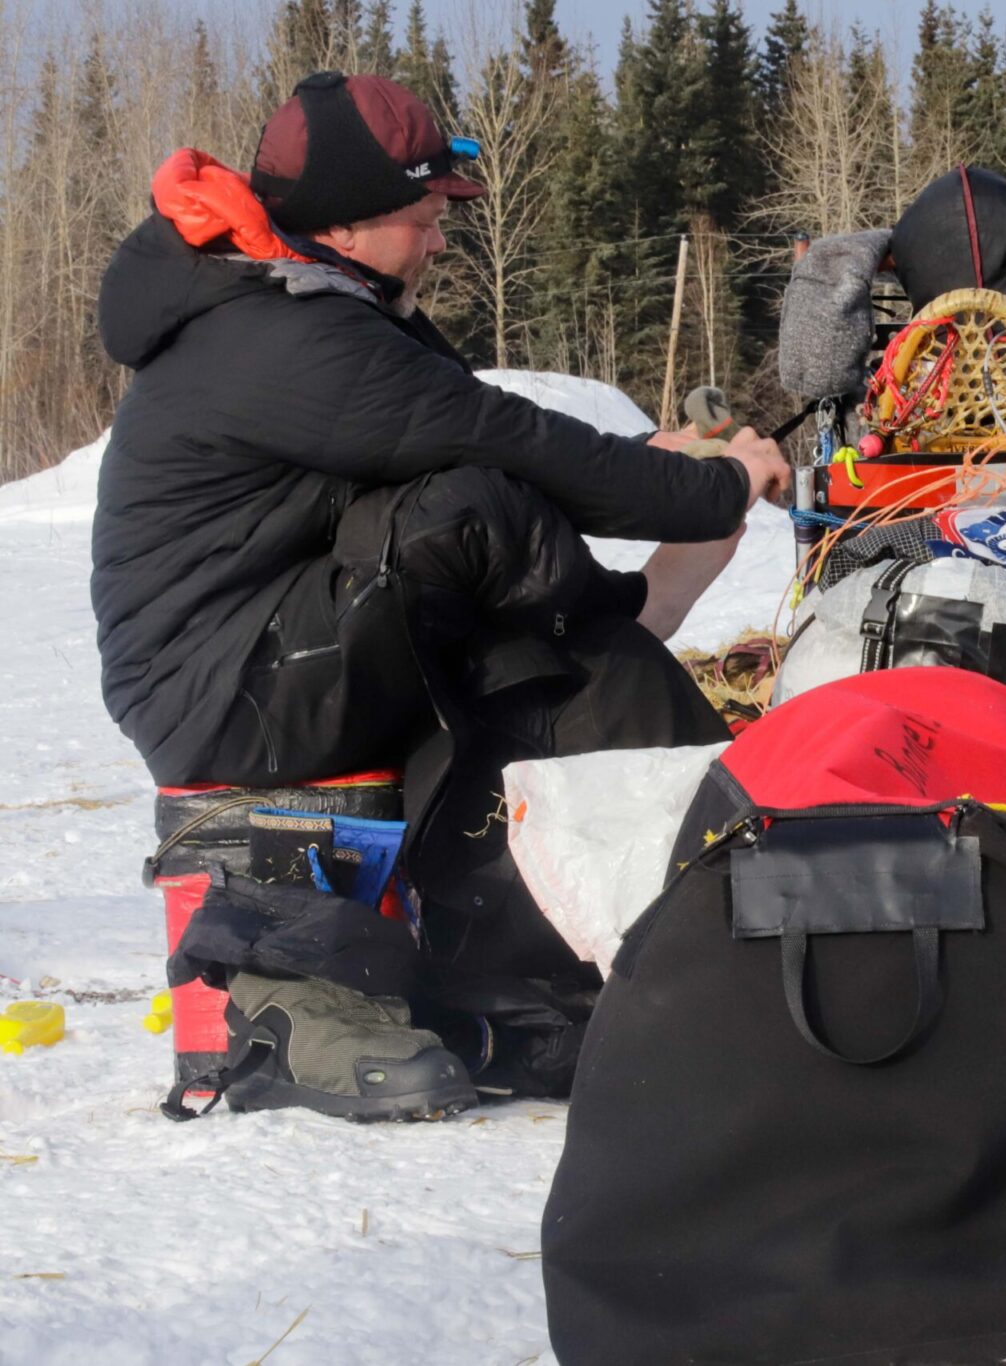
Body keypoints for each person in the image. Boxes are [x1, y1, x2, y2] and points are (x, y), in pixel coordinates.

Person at [94, 71, 791, 1119]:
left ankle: (614, 931)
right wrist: (717, 485)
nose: (438, 243)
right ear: (353, 221)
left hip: (265, 651)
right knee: (466, 513)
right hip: (226, 693)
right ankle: (733, 901)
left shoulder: (295, 303)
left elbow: (485, 431)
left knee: (505, 598)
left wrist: (647, 467)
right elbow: (496, 440)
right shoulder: (284, 332)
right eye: (425, 220)